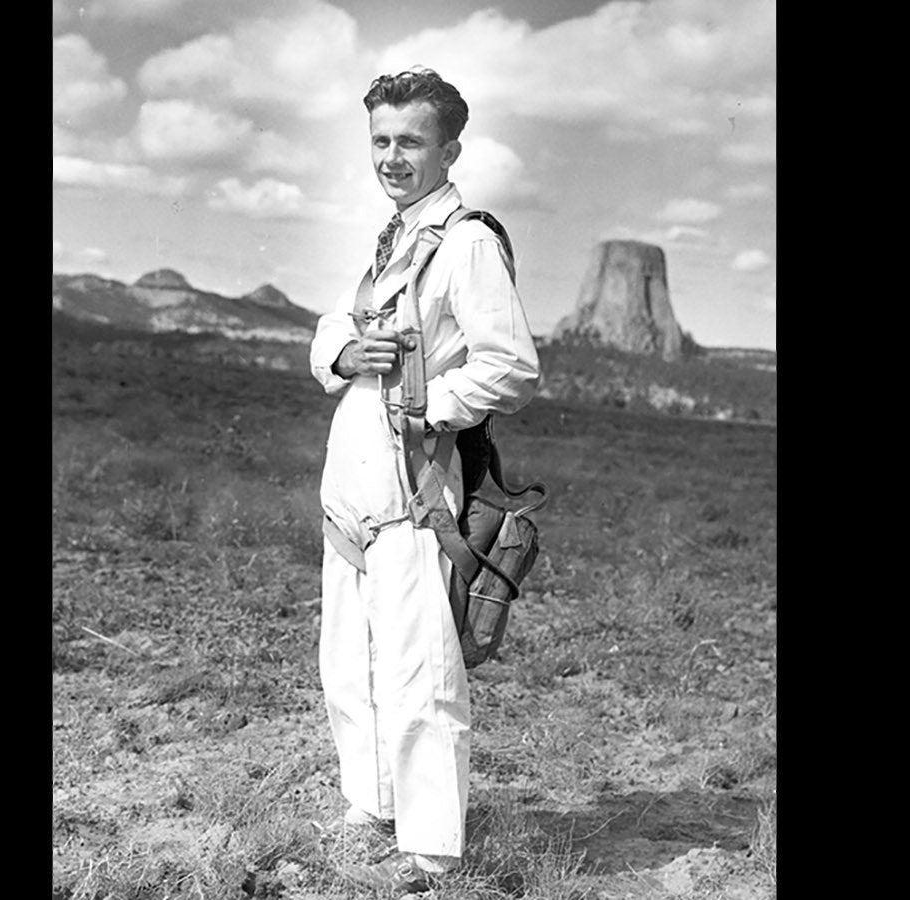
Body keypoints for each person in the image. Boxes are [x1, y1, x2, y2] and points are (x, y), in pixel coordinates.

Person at [308, 67, 541, 893]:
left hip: (414, 490)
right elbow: (336, 321)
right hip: (353, 494)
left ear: (451, 148)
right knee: (349, 662)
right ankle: (371, 809)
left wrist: (429, 404)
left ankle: (433, 848)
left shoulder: (466, 239)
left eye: (410, 141)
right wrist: (342, 353)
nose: (392, 156)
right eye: (380, 140)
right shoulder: (393, 236)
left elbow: (511, 366)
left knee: (420, 676)